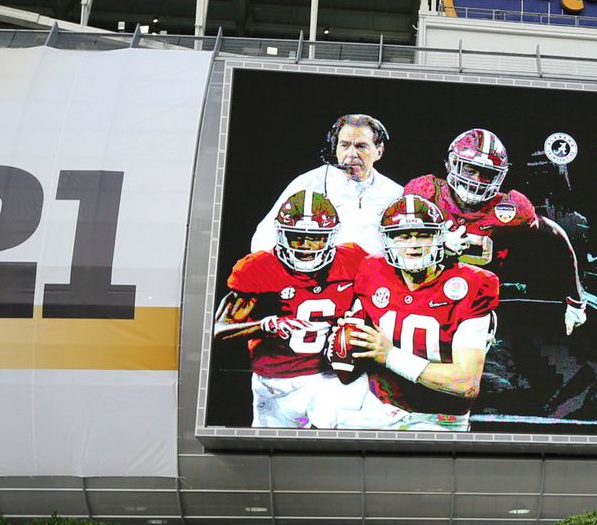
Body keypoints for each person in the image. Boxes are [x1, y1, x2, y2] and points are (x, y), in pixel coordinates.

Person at [314, 194, 500, 431]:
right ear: (388, 240)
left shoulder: (470, 284)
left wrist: (389, 356)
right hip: (380, 407)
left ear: (440, 237)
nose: (413, 244)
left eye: (423, 235)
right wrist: (350, 334)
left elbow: (465, 383)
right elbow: (358, 321)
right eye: (403, 236)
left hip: (439, 419)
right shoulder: (373, 270)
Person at [404, 127, 589, 334]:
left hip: (476, 305)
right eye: (470, 169)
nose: (476, 180)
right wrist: (436, 242)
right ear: (450, 164)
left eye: (486, 174)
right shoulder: (426, 194)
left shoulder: (510, 209)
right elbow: (391, 242)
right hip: (422, 295)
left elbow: (557, 238)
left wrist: (576, 300)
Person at [212, 191, 366, 427]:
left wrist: (358, 316)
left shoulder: (353, 259)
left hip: (330, 375)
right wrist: (266, 325)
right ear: (281, 234)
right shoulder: (259, 267)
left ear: (331, 236)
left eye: (315, 237)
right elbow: (219, 330)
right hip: (275, 381)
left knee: (335, 434)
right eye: (296, 236)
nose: (306, 246)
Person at [250, 114, 403, 254]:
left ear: (379, 151)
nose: (351, 154)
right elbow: (264, 238)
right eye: (344, 145)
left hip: (377, 279)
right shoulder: (309, 183)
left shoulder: (395, 193)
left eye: (361, 146)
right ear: (335, 149)